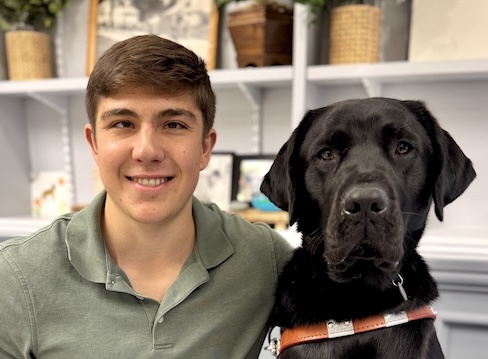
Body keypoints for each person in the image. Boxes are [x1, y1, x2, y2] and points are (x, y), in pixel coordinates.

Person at [0, 35, 294, 358]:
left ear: (205, 148)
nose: (147, 151)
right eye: (123, 123)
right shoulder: (16, 279)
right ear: (94, 144)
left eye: (173, 124)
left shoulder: (266, 260)